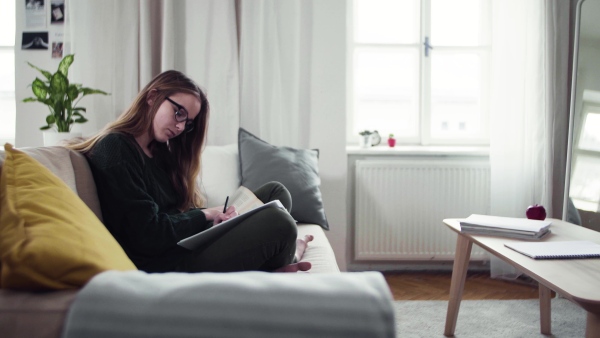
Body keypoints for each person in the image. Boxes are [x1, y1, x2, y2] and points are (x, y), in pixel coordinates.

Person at [67, 70, 312, 273]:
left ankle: (281, 257)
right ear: (152, 97)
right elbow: (148, 234)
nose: (181, 126)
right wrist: (205, 215)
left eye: (188, 122)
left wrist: (210, 219)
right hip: (163, 265)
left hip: (181, 246)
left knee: (276, 193)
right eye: (179, 112)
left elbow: (172, 215)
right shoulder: (115, 148)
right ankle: (286, 256)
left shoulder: (159, 152)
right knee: (280, 223)